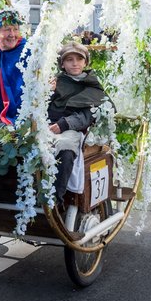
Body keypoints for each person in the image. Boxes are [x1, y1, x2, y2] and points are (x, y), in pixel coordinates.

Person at [48, 41, 104, 201]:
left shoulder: (92, 85)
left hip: (72, 128)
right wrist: (48, 93)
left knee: (65, 150)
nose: (75, 63)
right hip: (49, 124)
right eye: (69, 60)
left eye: (79, 59)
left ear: (85, 62)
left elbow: (89, 114)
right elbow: (42, 107)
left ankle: (55, 199)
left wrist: (65, 124)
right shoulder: (56, 82)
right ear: (62, 64)